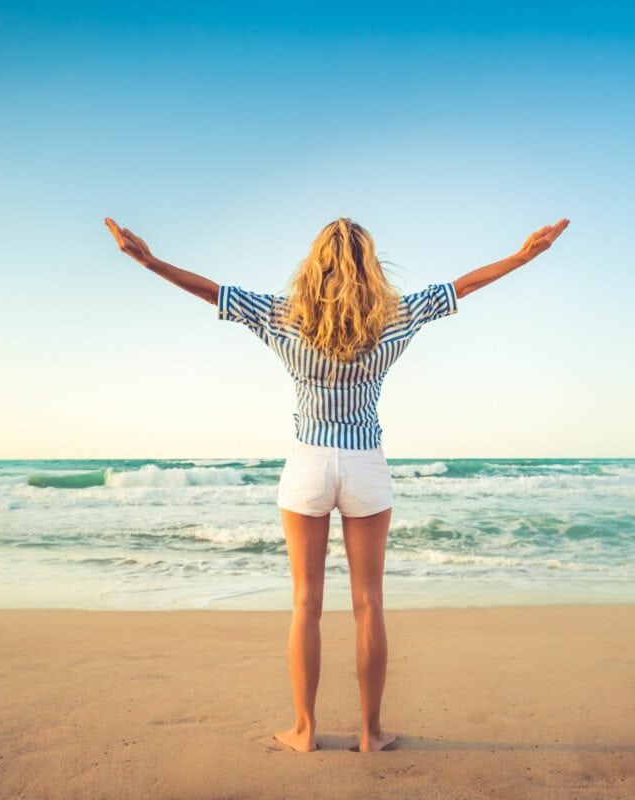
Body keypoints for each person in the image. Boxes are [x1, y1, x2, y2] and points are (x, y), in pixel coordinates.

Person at [105, 214, 570, 753]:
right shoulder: (396, 315)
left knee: (306, 603)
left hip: (307, 465)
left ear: (314, 262)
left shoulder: (281, 315)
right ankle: (371, 733)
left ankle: (304, 731)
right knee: (369, 602)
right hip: (365, 463)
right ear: (369, 265)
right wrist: (522, 256)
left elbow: (212, 293)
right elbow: (463, 285)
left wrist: (151, 261)